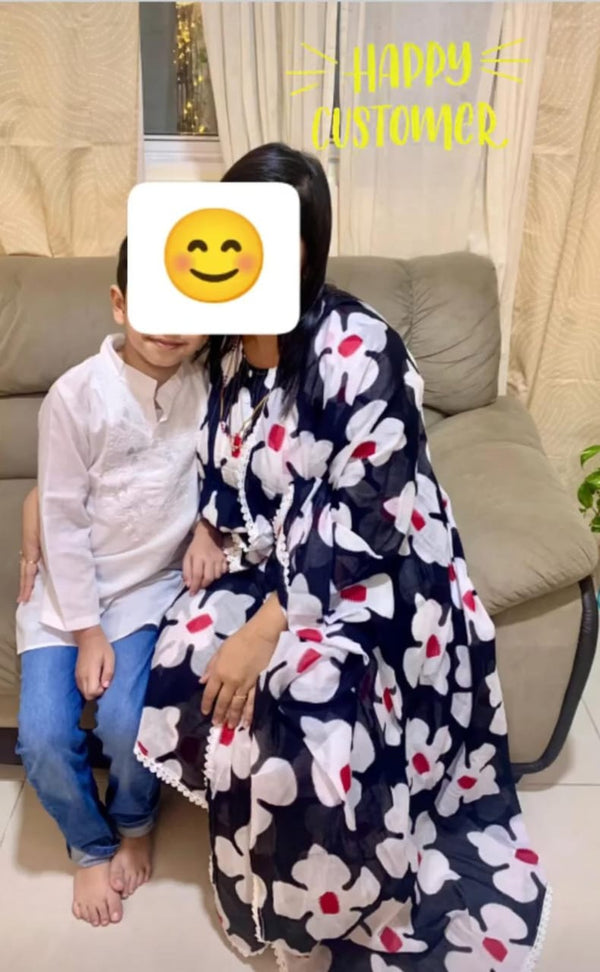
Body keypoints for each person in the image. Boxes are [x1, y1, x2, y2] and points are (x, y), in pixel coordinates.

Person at [132, 143, 550, 971]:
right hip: (275, 557)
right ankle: (259, 861)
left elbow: (372, 516)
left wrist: (270, 628)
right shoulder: (222, 346)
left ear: (305, 248)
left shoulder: (359, 346)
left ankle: (324, 884)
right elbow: (223, 461)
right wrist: (210, 528)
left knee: (306, 696)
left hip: (379, 570)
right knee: (187, 647)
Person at [15, 238, 226, 929]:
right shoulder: (75, 395)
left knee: (129, 721)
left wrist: (209, 529)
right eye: (153, 306)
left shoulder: (210, 387)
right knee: (44, 736)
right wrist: (85, 632)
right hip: (66, 596)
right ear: (119, 303)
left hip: (148, 591)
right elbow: (59, 517)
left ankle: (134, 820)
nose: (169, 327)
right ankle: (89, 843)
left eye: (188, 312)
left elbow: (227, 470)